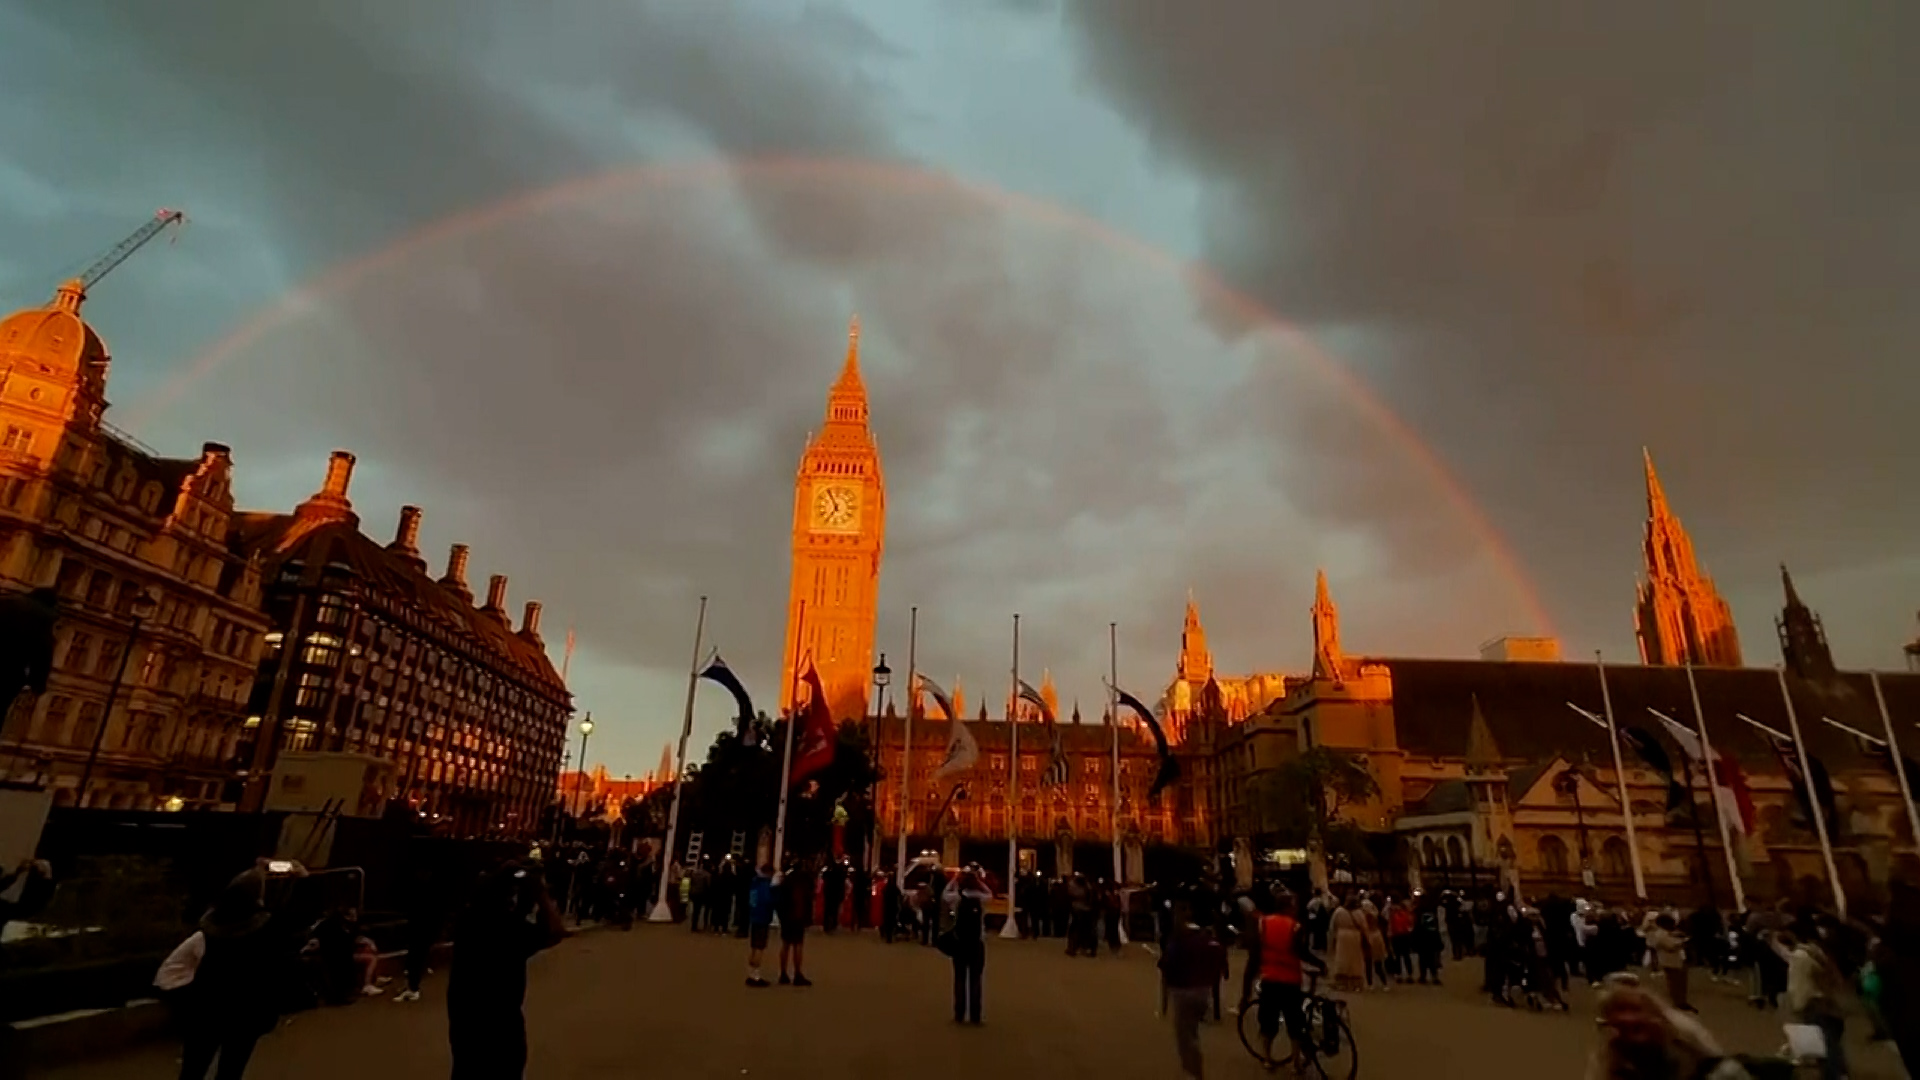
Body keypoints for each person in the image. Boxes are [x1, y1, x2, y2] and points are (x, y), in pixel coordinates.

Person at [175, 864, 315, 1080]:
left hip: (206, 1005)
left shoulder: (211, 923)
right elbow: (301, 915)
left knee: (192, 1069)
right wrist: (302, 879)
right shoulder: (266, 928)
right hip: (246, 1010)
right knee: (231, 1070)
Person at [446, 861, 564, 1080]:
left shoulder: (470, 921)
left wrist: (502, 876)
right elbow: (555, 931)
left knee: (466, 1067)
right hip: (501, 1019)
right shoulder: (512, 929)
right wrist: (541, 894)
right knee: (506, 1068)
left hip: (465, 1015)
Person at [1587, 975, 1752, 1080]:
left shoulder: (1682, 1030)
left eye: (1633, 1009)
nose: (1628, 1018)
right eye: (1618, 1011)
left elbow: (1713, 1058)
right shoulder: (1610, 1049)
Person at [1240, 891, 1326, 1072]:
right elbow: (1300, 952)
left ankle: (1267, 1057)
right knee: (1295, 1022)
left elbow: (1255, 955)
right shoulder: (1295, 926)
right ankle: (1296, 1062)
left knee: (1268, 1020)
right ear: (1289, 907)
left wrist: (1246, 989)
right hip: (1290, 980)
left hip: (1269, 978)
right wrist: (1320, 964)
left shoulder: (1263, 923)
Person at [1160, 896, 1228, 1079]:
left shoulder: (1178, 938)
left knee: (1186, 1037)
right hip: (1202, 990)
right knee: (1192, 1031)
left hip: (1183, 991)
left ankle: (1195, 1072)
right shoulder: (1205, 936)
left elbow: (1166, 969)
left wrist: (1164, 1003)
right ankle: (1193, 1069)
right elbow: (1219, 954)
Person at [943, 865, 990, 1025]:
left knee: (960, 979)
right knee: (976, 980)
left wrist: (955, 879)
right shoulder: (980, 897)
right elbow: (989, 894)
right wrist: (977, 881)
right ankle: (975, 1015)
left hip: (960, 943)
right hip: (977, 943)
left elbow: (945, 894)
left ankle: (959, 1014)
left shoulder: (957, 897)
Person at [775, 860, 814, 986]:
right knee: (798, 945)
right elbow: (809, 899)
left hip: (787, 916)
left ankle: (783, 973)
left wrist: (781, 916)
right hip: (798, 916)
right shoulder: (804, 881)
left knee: (785, 945)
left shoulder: (786, 880)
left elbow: (780, 899)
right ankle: (797, 973)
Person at [1646, 913, 1693, 1012]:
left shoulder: (1664, 932)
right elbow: (1670, 946)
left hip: (1673, 960)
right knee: (1676, 983)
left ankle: (1680, 1001)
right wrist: (1683, 942)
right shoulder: (1661, 934)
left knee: (1678, 982)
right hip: (1671, 961)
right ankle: (1678, 1002)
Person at [744, 863, 776, 987]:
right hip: (762, 917)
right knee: (759, 948)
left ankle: (751, 973)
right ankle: (755, 976)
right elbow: (768, 900)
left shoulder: (754, 883)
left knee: (754, 947)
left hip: (754, 916)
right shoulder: (765, 885)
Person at [1327, 892, 1365, 992]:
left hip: (1342, 936)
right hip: (1355, 936)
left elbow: (1332, 926)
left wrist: (1332, 939)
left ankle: (1342, 983)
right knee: (1355, 960)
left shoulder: (1339, 911)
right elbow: (1364, 927)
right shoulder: (1359, 913)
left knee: (1342, 958)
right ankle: (1356, 983)